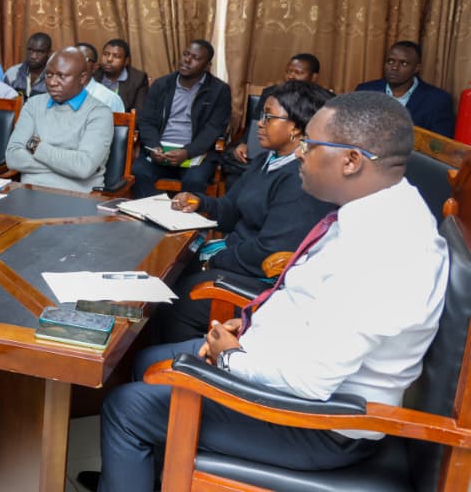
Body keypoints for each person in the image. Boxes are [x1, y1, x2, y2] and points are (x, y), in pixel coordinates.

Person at [79, 91, 448, 492]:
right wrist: (254, 323)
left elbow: (311, 381)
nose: (300, 153)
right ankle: (141, 478)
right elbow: (315, 303)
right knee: (148, 360)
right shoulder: (378, 209)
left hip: (321, 423)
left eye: (310, 144)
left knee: (126, 409)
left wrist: (231, 358)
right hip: (291, 369)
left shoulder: (385, 247)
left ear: (351, 160)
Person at [150, 81, 336, 343]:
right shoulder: (266, 160)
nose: (259, 124)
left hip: (259, 279)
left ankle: (176, 361)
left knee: (174, 300)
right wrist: (200, 203)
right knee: (165, 273)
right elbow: (232, 208)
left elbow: (270, 251)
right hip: (235, 256)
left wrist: (214, 260)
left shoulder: (299, 178)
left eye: (269, 117)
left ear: (295, 127)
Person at [4, 48, 115, 192]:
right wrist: (67, 167)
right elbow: (12, 157)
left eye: (61, 76)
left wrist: (35, 146)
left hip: (76, 197)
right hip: (29, 191)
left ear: (82, 78)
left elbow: (83, 167)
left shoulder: (99, 113)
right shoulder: (33, 104)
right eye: (48, 74)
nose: (52, 82)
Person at [131, 40, 232, 197]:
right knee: (139, 171)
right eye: (186, 54)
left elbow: (214, 128)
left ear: (207, 66)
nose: (187, 60)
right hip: (161, 151)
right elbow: (147, 121)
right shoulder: (162, 85)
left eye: (195, 58)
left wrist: (187, 152)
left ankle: (183, 213)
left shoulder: (219, 91)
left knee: (195, 180)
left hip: (196, 154)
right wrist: (154, 148)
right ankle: (154, 211)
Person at [223, 53, 321, 190]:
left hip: (299, 152)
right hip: (264, 147)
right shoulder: (271, 94)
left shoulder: (322, 100)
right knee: (236, 172)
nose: (291, 76)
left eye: (298, 72)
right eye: (288, 71)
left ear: (314, 77)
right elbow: (257, 122)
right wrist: (245, 143)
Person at [356, 40, 455, 137]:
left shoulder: (438, 100)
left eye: (404, 63)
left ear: (416, 68)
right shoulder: (364, 91)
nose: (394, 67)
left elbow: (439, 144)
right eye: (390, 61)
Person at [95, 39, 148, 113]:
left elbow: (139, 113)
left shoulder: (138, 79)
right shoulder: (93, 74)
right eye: (106, 54)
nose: (109, 59)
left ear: (126, 61)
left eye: (116, 56)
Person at [77, 42, 124, 112]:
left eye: (82, 59)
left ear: (94, 67)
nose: (74, 63)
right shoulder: (61, 94)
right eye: (71, 59)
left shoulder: (109, 98)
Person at [3, 32, 52, 99]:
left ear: (49, 53)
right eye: (30, 50)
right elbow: (3, 100)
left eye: (39, 52)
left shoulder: (53, 77)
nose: (33, 56)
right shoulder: (12, 73)